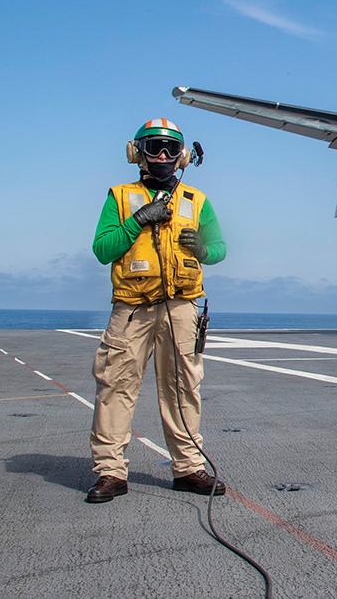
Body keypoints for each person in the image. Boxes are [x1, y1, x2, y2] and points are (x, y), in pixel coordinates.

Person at [86, 118, 227, 503]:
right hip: (131, 309)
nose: (162, 156)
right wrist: (137, 220)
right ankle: (111, 472)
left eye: (169, 148)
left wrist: (202, 248)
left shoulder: (196, 201)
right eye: (153, 147)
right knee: (115, 387)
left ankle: (187, 468)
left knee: (184, 389)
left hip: (181, 309)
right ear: (137, 153)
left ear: (181, 156)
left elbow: (219, 250)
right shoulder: (120, 196)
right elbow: (102, 250)